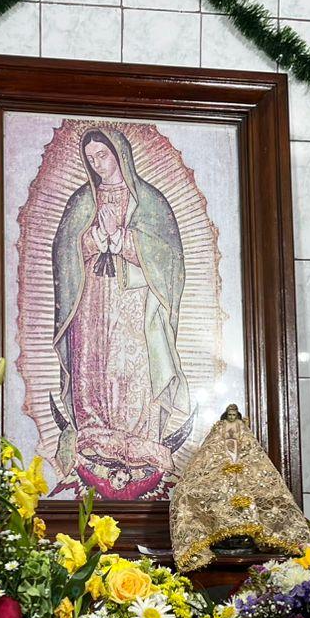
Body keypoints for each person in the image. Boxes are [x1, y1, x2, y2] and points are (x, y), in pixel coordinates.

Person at [50, 127, 192, 499]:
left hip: (134, 299)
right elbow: (64, 252)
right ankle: (94, 431)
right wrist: (94, 239)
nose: (98, 164)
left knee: (131, 364)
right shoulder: (82, 200)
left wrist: (125, 240)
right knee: (94, 360)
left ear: (120, 154)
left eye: (104, 155)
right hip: (93, 298)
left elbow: (170, 258)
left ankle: (139, 437)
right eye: (92, 158)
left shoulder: (148, 200)